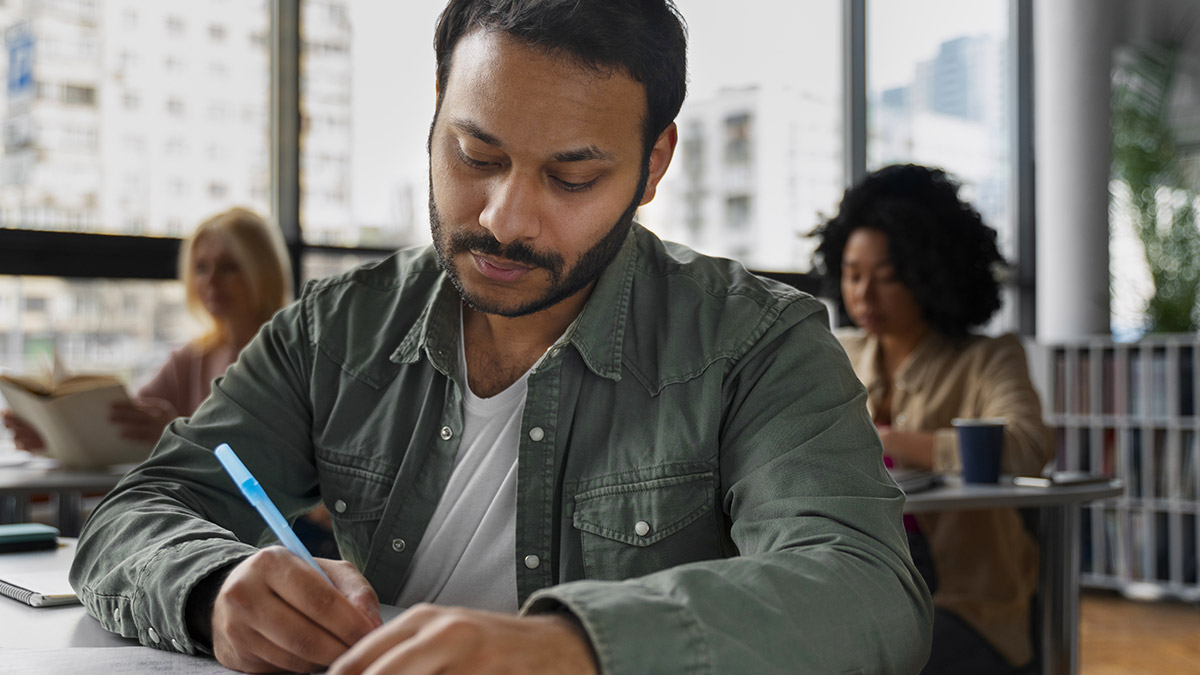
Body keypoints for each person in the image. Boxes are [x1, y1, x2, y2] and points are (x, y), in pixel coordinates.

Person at [71, 2, 933, 673]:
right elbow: (139, 512)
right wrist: (214, 586)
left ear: (654, 164)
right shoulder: (333, 329)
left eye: (572, 176)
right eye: (475, 156)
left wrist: (573, 649)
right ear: (436, 111)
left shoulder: (756, 342)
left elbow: (865, 588)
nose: (504, 218)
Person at [813, 164, 1054, 675]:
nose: (864, 295)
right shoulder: (834, 352)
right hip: (854, 576)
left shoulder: (988, 358)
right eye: (853, 275)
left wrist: (891, 440)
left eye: (888, 277)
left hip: (963, 597)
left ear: (931, 271)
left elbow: (1028, 445)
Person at [2, 207, 292, 454]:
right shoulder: (190, 359)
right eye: (201, 268)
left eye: (229, 267)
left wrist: (178, 437)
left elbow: (279, 463)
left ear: (263, 271)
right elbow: (124, 427)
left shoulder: (291, 358)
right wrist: (53, 438)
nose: (211, 282)